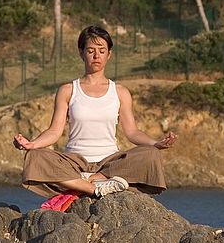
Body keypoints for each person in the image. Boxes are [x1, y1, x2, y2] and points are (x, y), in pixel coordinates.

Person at [14, 25, 176, 199]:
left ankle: (94, 179)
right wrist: (32, 144)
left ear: (109, 54)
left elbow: (132, 132)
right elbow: (54, 131)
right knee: (35, 156)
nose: (96, 55)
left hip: (110, 163)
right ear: (81, 52)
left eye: (101, 50)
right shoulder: (68, 90)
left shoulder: (120, 92)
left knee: (151, 154)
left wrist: (155, 144)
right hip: (74, 163)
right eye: (91, 50)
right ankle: (93, 188)